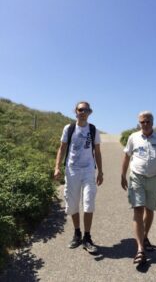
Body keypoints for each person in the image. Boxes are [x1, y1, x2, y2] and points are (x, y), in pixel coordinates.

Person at [121, 111, 156, 265]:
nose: (145, 124)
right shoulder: (133, 137)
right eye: (142, 122)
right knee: (138, 209)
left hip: (154, 178)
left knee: (150, 210)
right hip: (137, 176)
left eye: (148, 121)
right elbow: (127, 156)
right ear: (139, 123)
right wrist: (122, 174)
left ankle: (144, 236)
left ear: (153, 122)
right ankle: (140, 249)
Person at [54, 101, 103, 253]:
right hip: (72, 170)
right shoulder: (68, 128)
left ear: (90, 112)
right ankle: (77, 234)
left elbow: (97, 152)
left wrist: (100, 171)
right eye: (80, 109)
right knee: (73, 203)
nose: (83, 112)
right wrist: (57, 167)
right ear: (75, 111)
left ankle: (87, 237)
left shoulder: (93, 130)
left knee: (88, 203)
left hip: (88, 170)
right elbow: (62, 148)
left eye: (86, 110)